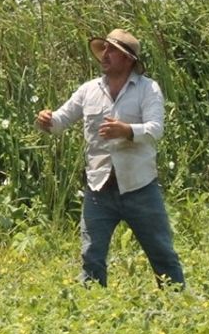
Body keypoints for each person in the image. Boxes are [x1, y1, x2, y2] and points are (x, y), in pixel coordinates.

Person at [35, 28, 185, 287]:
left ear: (128, 59)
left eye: (112, 50)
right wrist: (45, 120)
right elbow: (60, 121)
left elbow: (155, 130)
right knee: (91, 255)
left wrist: (127, 131)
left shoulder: (148, 89)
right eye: (104, 48)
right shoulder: (88, 90)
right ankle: (93, 312)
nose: (105, 54)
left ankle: (178, 307)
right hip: (99, 187)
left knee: (162, 254)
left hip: (140, 186)